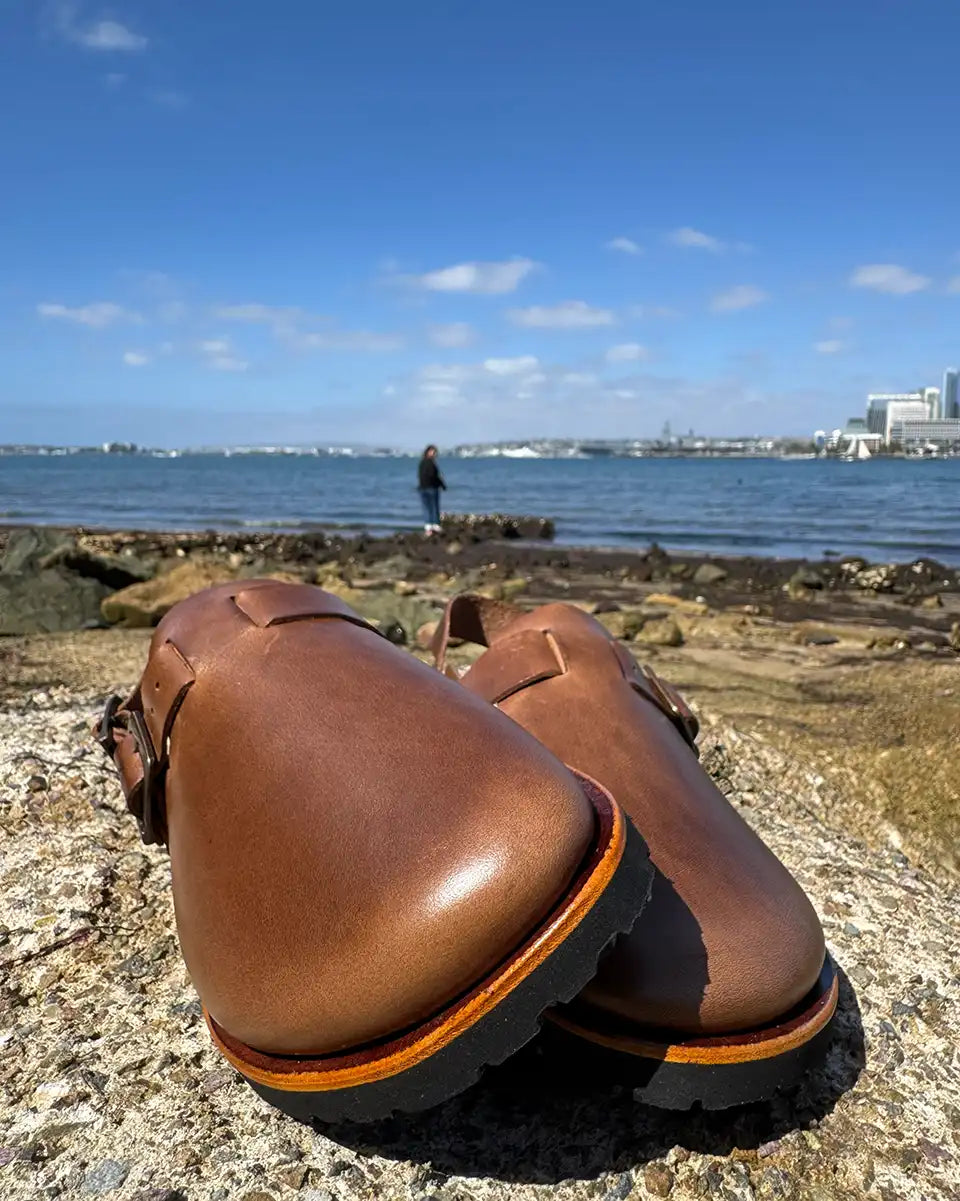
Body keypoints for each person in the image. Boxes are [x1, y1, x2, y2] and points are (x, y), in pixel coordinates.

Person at [417, 444, 446, 534]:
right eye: (433, 452)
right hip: (431, 488)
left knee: (427, 507)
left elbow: (420, 476)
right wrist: (442, 485)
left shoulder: (422, 462)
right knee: (434, 507)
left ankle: (428, 526)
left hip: (423, 488)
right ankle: (435, 525)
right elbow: (435, 476)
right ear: (428, 452)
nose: (434, 454)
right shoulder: (431, 463)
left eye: (435, 452)